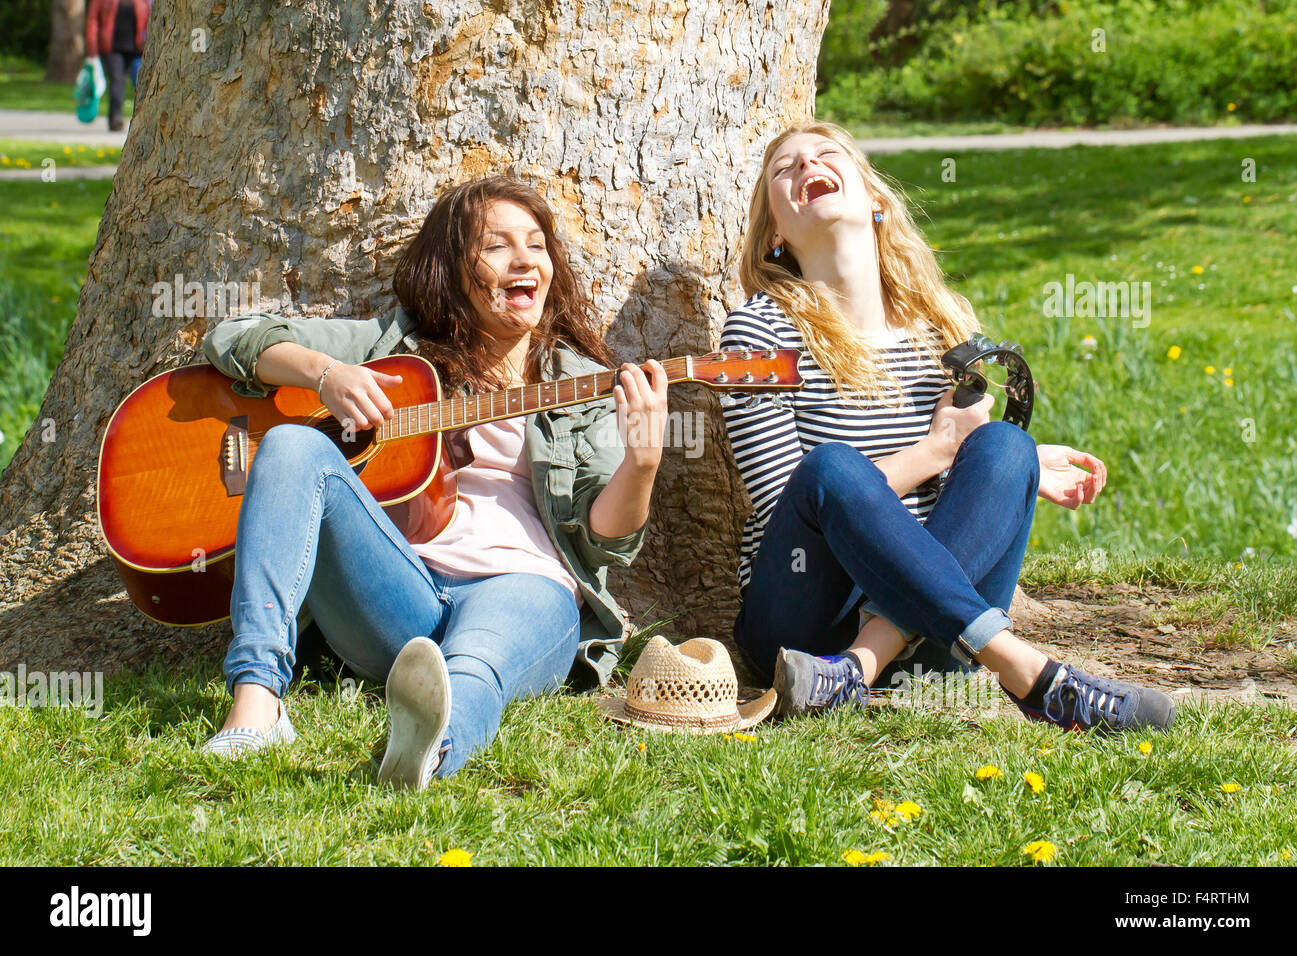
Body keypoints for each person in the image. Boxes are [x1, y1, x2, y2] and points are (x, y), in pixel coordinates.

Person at [198, 176, 668, 787]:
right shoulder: (395, 352)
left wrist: (643, 463)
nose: (525, 259)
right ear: (451, 266)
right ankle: (257, 703)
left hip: (524, 585)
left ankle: (429, 752)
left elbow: (605, 541)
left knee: (475, 665)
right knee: (292, 443)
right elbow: (229, 339)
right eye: (497, 246)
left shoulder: (586, 385)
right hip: (395, 589)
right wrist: (326, 375)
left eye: (536, 244)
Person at [719, 122, 1175, 733]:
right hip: (802, 622)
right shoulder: (758, 333)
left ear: (874, 200)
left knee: (1007, 444)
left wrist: (1016, 468)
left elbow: (965, 456)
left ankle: (859, 667)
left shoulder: (941, 323)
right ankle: (1034, 677)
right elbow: (787, 507)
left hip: (931, 640)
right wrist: (937, 449)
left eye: (826, 156)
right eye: (785, 168)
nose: (806, 166)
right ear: (774, 232)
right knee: (830, 467)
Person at [84, 0, 151, 132]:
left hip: (136, 49)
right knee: (117, 82)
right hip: (112, 49)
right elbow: (92, 21)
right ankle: (115, 119)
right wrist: (92, 47)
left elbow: (149, 19)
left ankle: (145, 119)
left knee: (142, 83)